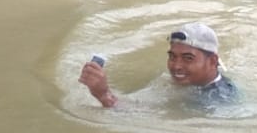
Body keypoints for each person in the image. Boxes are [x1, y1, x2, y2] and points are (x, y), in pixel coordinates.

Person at [78, 22, 238, 109]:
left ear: (212, 61)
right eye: (172, 57)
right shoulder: (184, 81)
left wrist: (104, 95)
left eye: (188, 58)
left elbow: (139, 118)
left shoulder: (216, 100)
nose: (176, 66)